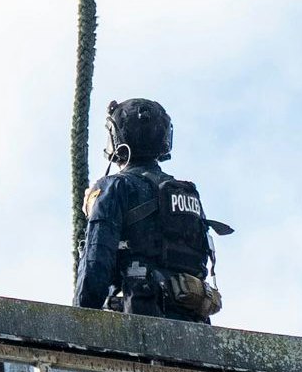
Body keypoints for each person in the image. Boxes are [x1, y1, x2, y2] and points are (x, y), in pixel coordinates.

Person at [75, 98, 228, 321]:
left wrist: (80, 322)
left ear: (115, 137)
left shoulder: (115, 187)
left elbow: (95, 267)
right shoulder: (187, 193)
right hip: (195, 326)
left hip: (139, 320)